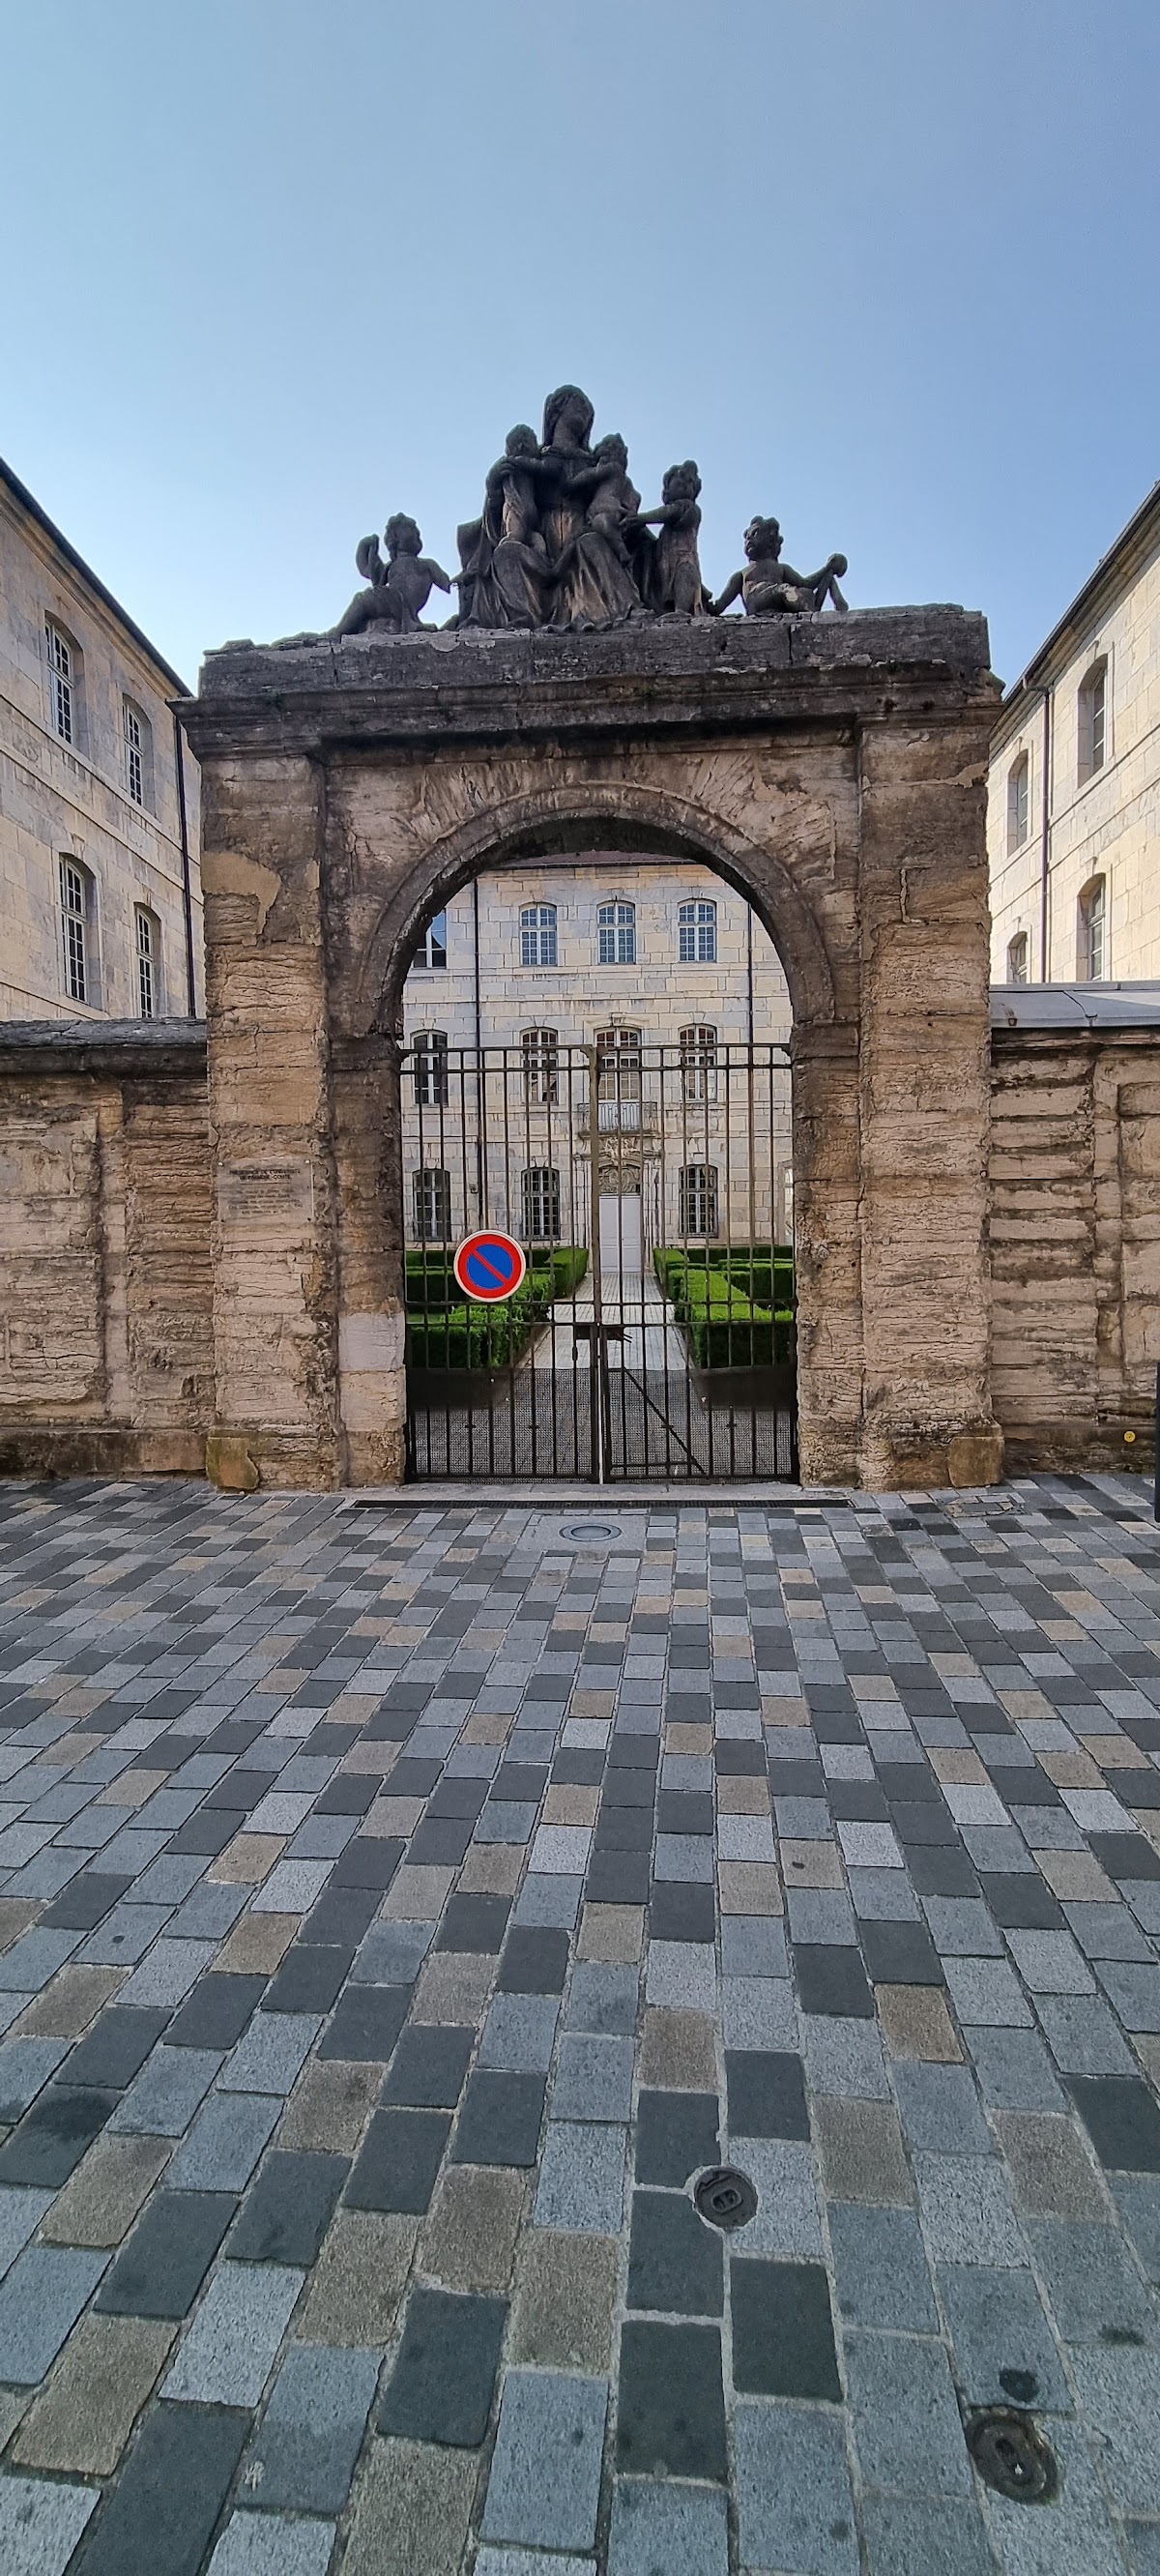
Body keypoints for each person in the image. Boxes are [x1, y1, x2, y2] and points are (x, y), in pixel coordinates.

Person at [331, 515, 453, 635]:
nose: (415, 532)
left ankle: (339, 633)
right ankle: (341, 631)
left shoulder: (427, 564)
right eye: (408, 529)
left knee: (362, 599)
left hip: (403, 604)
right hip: (394, 600)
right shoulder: (391, 566)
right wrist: (364, 546)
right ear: (395, 539)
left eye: (415, 530)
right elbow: (370, 571)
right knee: (363, 599)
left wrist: (463, 579)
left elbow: (447, 583)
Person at [712, 517, 849, 617]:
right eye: (747, 538)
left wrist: (827, 568)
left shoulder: (781, 568)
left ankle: (834, 603)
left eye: (754, 534)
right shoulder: (742, 575)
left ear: (770, 539)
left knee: (810, 587)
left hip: (783, 601)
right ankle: (807, 609)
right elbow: (720, 604)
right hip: (758, 603)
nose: (749, 540)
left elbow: (807, 583)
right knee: (783, 590)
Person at [628, 461, 708, 615]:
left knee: (683, 576)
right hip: (665, 562)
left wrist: (640, 519)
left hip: (682, 559)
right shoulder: (667, 528)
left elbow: (668, 512)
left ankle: (681, 610)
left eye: (690, 484)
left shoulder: (689, 508)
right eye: (679, 483)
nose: (685, 486)